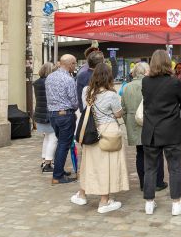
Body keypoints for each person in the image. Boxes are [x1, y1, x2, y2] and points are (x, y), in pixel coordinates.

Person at [70, 63, 129, 214]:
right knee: (107, 165)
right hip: (107, 132)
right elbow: (118, 114)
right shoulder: (111, 95)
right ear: (109, 77)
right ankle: (104, 200)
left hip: (90, 131)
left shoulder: (86, 91)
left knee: (88, 163)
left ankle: (82, 194)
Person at [142, 50, 181, 216]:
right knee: (175, 168)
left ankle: (149, 203)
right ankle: (176, 204)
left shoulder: (145, 82)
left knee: (150, 168)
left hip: (151, 131)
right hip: (170, 130)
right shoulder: (174, 82)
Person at [121, 62, 167, 192]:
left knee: (140, 154)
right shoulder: (151, 85)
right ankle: (157, 182)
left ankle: (143, 183)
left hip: (134, 125)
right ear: (146, 72)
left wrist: (128, 122)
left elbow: (123, 109)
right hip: (151, 124)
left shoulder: (126, 87)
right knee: (156, 154)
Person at [45, 54, 78, 184]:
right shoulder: (68, 79)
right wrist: (74, 109)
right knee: (64, 145)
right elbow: (74, 100)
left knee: (61, 143)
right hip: (65, 115)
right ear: (69, 64)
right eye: (74, 64)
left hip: (53, 114)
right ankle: (57, 176)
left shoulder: (50, 77)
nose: (75, 66)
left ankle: (59, 169)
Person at [34, 62, 57, 173]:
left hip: (39, 113)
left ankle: (44, 160)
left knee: (47, 138)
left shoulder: (37, 82)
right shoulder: (49, 83)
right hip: (49, 114)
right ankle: (48, 164)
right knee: (53, 139)